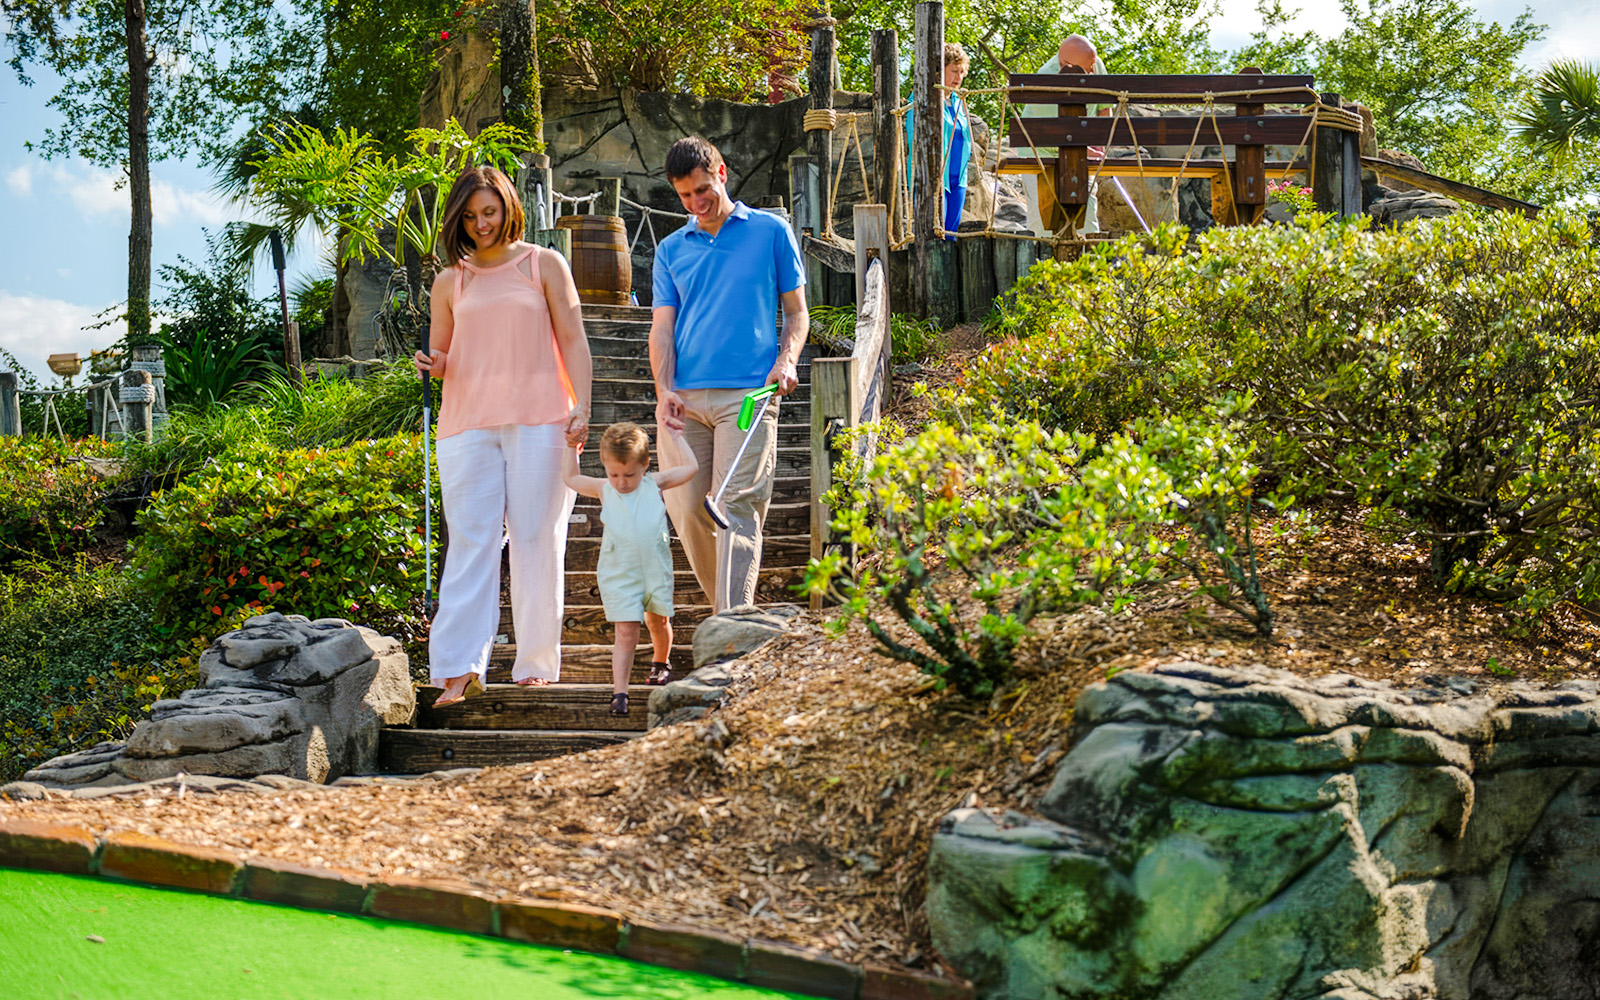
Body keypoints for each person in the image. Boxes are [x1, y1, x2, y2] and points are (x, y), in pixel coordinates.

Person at [413, 165, 593, 708]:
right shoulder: (452, 281)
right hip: (466, 424)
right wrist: (434, 361)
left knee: (538, 537)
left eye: (488, 212)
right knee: (471, 542)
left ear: (508, 207)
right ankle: (459, 668)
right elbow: (445, 357)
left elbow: (574, 339)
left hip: (541, 419)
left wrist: (582, 404)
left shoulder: (544, 264)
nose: (480, 224)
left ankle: (536, 662)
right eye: (469, 216)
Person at [649, 136, 808, 613]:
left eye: (702, 190)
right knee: (691, 512)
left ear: (722, 173)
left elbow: (797, 313)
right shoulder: (671, 249)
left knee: (735, 506)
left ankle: (731, 631)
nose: (697, 203)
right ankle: (732, 618)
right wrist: (662, 391)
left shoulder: (771, 231)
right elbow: (661, 329)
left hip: (748, 398)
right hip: (684, 402)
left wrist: (788, 360)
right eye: (685, 196)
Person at [561, 421, 698, 716]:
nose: (622, 482)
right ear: (606, 469)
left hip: (654, 570)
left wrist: (676, 436)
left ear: (645, 465)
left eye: (630, 474)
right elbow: (570, 477)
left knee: (658, 622)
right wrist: (571, 447)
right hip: (619, 574)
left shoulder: (654, 483)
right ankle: (619, 692)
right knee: (626, 631)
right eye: (614, 474)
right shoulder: (604, 488)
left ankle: (661, 663)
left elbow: (691, 468)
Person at [1016, 34, 1111, 237]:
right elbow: (1058, 136)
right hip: (1040, 153)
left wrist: (1100, 145)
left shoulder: (1092, 62)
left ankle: (1086, 264)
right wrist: (1089, 152)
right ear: (1066, 65)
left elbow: (1104, 107)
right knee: (1043, 219)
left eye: (1093, 65)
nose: (1093, 72)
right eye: (1088, 70)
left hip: (1082, 150)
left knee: (1087, 213)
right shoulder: (1045, 81)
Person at [905, 43, 974, 240]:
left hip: (958, 180)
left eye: (962, 72)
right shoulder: (921, 99)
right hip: (933, 177)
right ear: (939, 71)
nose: (959, 77)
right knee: (932, 235)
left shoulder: (958, 102)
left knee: (950, 236)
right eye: (954, 71)